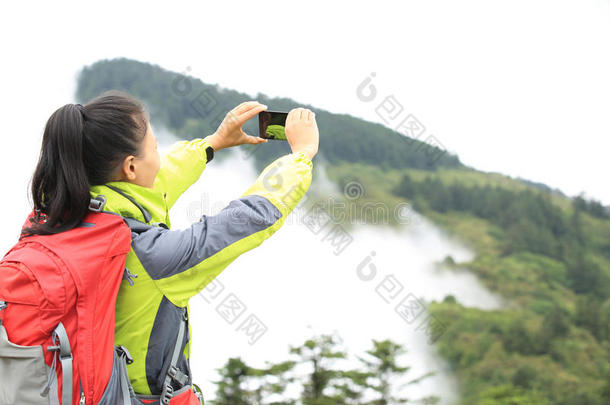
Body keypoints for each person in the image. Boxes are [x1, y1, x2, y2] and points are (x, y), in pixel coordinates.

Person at [25, 90, 318, 404]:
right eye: (154, 147)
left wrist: (214, 142)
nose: (159, 155)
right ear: (131, 168)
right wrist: (301, 156)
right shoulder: (152, 255)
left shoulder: (60, 216)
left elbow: (156, 185)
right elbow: (247, 219)